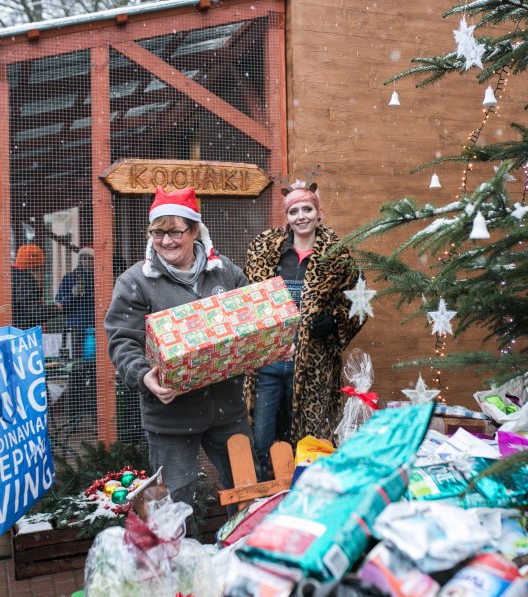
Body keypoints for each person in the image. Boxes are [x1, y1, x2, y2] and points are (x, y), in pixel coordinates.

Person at [105, 186, 254, 508]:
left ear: (195, 230)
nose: (166, 241)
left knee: (244, 488)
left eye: (175, 231)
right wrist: (143, 375)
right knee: (174, 497)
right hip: (170, 415)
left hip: (227, 408)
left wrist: (264, 347)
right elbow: (122, 340)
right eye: (158, 232)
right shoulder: (136, 282)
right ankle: (176, 557)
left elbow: (252, 320)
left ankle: (238, 553)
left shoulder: (226, 273)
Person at [244, 181, 365, 479]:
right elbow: (248, 301)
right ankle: (263, 498)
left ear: (318, 213)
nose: (301, 216)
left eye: (307, 209)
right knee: (261, 439)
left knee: (306, 441)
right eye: (294, 211)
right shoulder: (268, 253)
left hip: (312, 366)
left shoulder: (336, 256)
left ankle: (302, 496)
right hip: (269, 364)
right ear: (286, 217)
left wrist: (336, 322)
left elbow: (360, 304)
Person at [55, 246, 94, 356]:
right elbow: (60, 304)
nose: (87, 262)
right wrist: (72, 294)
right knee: (75, 357)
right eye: (84, 258)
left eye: (90, 259)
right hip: (74, 326)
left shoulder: (100, 278)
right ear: (80, 260)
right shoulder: (69, 278)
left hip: (95, 325)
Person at [11, 243, 56, 330]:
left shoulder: (12, 277)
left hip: (14, 329)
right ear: (34, 267)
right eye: (39, 268)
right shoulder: (25, 282)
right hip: (23, 332)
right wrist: (56, 309)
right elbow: (34, 312)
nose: (41, 272)